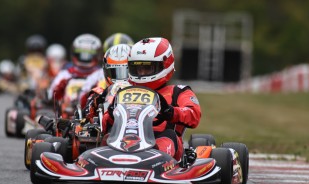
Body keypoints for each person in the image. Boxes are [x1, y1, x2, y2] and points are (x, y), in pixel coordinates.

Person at [103, 37, 201, 166]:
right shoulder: (124, 91)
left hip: (159, 139)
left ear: (164, 65)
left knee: (169, 136)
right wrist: (110, 114)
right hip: (124, 139)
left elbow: (193, 114)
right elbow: (105, 123)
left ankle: (157, 160)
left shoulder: (178, 92)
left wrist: (171, 112)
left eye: (147, 68)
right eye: (138, 68)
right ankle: (103, 158)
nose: (142, 73)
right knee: (107, 135)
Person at [48, 34, 105, 117]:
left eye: (89, 54)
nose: (85, 57)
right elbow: (51, 95)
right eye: (82, 54)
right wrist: (58, 90)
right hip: (66, 115)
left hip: (93, 115)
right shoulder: (66, 73)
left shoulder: (101, 74)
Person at [82, 43, 131, 123]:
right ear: (106, 71)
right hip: (108, 131)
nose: (120, 78)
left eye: (125, 71)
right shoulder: (98, 95)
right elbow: (84, 121)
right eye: (115, 72)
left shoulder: (146, 93)